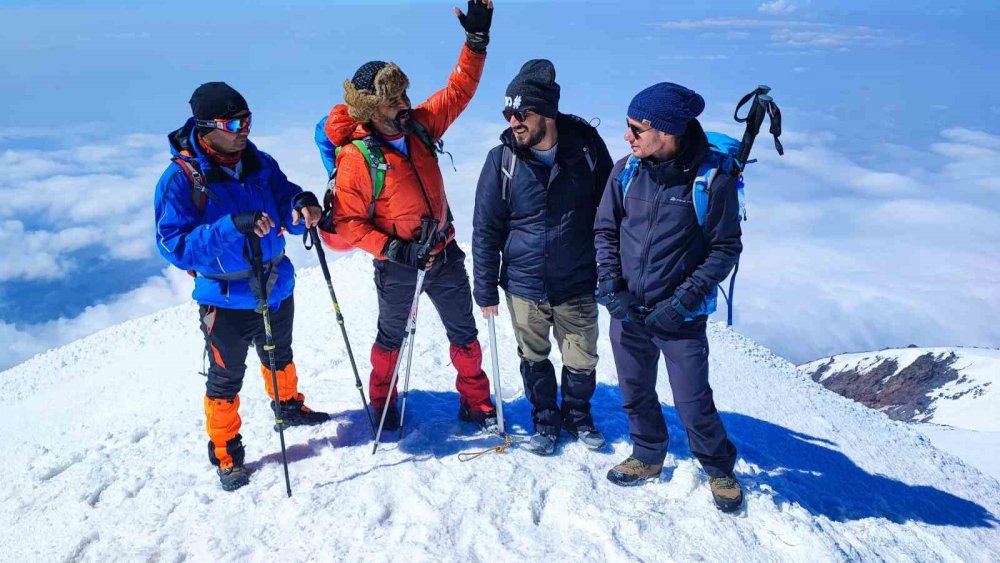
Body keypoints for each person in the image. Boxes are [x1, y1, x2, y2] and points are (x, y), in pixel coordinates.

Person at [318, 1, 499, 432]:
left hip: (442, 252)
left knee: (465, 336)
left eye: (403, 94)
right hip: (398, 265)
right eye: (392, 100)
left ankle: (477, 402)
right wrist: (395, 249)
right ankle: (383, 406)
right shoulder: (356, 160)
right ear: (369, 110)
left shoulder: (420, 126)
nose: (403, 104)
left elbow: (459, 91)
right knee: (390, 340)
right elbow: (348, 222)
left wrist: (475, 42)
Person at [155, 82, 330, 491]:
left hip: (274, 283)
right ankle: (226, 453)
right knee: (225, 378)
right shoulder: (181, 180)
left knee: (279, 353)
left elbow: (284, 198)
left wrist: (300, 204)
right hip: (226, 297)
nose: (243, 129)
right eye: (232, 122)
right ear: (205, 127)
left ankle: (287, 406)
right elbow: (175, 246)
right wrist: (231, 228)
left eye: (247, 119)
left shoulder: (258, 162)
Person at [593, 82, 745, 512]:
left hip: (681, 318)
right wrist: (610, 287)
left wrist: (681, 304)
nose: (627, 137)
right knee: (634, 390)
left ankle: (718, 468)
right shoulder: (626, 171)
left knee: (693, 401)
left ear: (667, 132)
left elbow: (723, 249)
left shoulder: (711, 182)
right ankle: (647, 454)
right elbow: (605, 230)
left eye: (636, 129)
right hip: (627, 311)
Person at [472, 59, 613, 455]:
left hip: (578, 280)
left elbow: (609, 212)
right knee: (534, 357)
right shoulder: (501, 162)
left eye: (522, 113)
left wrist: (612, 270)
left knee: (581, 358)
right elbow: (486, 228)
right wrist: (484, 289)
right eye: (508, 113)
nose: (513, 121)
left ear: (546, 114)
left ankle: (577, 415)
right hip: (523, 284)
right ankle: (545, 419)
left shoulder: (586, 149)